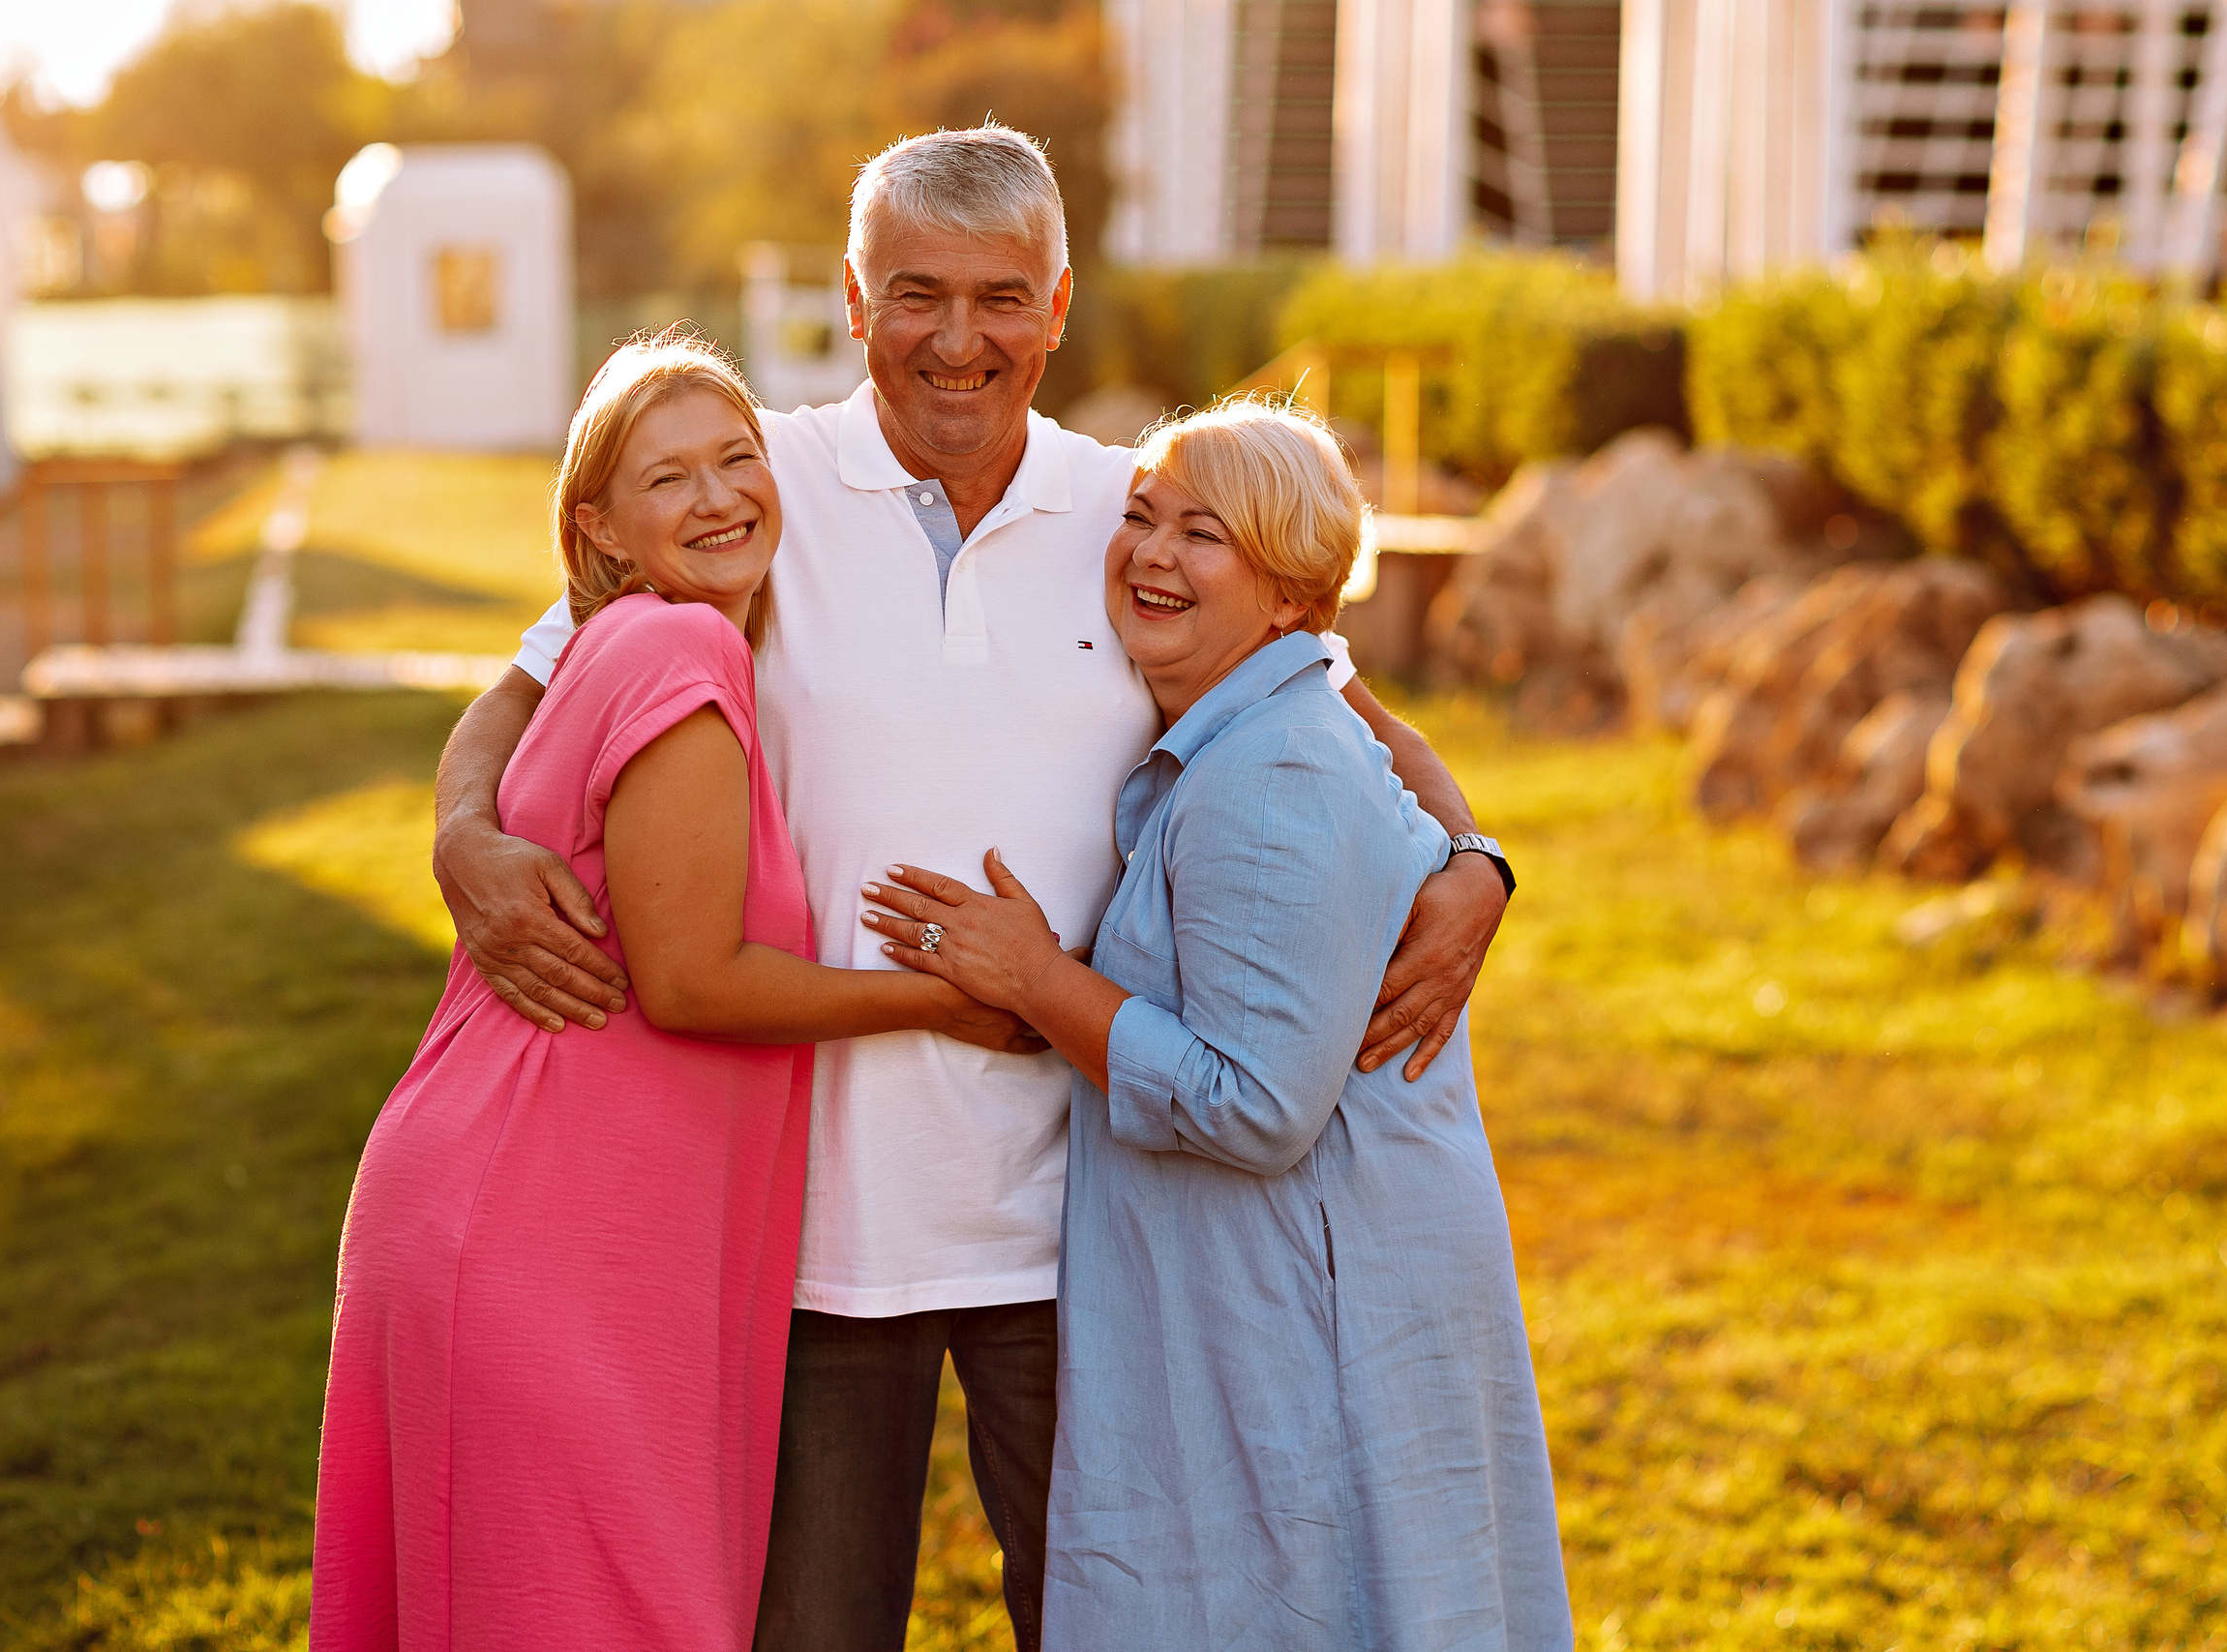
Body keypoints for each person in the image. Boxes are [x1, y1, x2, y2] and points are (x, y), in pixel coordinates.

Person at [427, 127, 1519, 1650]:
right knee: (815, 1630)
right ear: (856, 303)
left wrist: (1476, 863)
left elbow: (1344, 717)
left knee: (1119, 1624)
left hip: (1091, 1221)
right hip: (809, 1218)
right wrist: (463, 834)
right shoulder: (757, 484)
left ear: (1058, 305)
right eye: (916, 295)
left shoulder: (1129, 511)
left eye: (1001, 298)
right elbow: (530, 680)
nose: (959, 340)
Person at [309, 337, 1040, 1652]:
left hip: (495, 1208)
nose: (716, 500)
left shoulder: (618, 643)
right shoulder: (677, 651)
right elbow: (696, 984)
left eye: (736, 461)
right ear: (597, 524)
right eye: (669, 479)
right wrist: (942, 1001)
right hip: (543, 1236)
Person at [862, 400, 1570, 1649]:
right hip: (1301, 1274)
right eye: (1140, 517)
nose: (1149, 553)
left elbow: (1256, 1104)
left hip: (1318, 1291)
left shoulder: (1273, 772)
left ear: (1294, 598)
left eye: (1205, 536)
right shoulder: (1249, 727)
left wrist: (1037, 979)